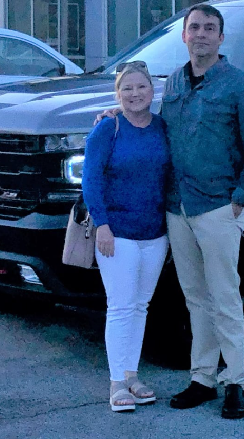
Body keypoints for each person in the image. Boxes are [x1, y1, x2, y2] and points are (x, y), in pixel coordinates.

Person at [163, 4, 244, 419]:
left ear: (221, 38)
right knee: (195, 298)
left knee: (226, 296)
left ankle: (236, 381)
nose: (201, 34)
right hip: (178, 207)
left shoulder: (242, 86)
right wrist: (117, 114)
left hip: (218, 207)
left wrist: (241, 197)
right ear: (184, 36)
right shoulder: (173, 82)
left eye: (210, 28)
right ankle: (202, 378)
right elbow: (160, 129)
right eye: (195, 27)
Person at [82, 61, 171, 413]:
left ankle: (132, 376)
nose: (135, 94)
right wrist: (102, 224)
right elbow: (91, 179)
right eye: (127, 88)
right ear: (117, 94)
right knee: (120, 307)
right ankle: (117, 383)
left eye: (141, 86)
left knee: (140, 306)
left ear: (152, 90)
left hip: (155, 232)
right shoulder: (108, 128)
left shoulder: (162, 127)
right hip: (117, 233)